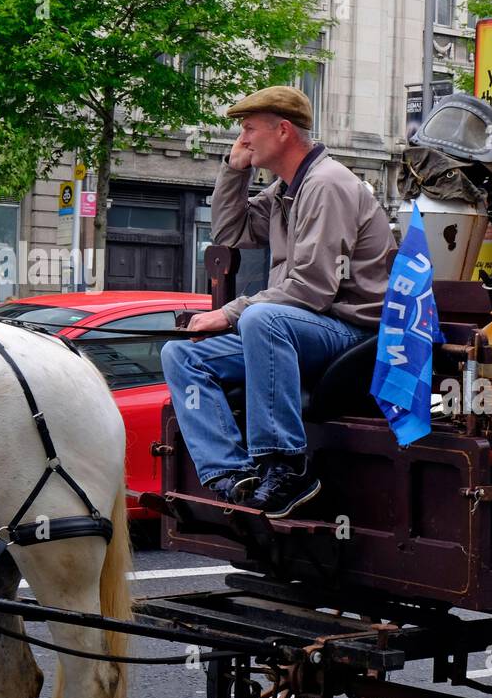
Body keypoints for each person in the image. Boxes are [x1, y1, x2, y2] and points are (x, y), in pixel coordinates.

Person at [162, 87, 395, 518]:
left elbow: (312, 289)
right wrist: (234, 172)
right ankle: (231, 474)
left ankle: (285, 466)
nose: (243, 139)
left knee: (262, 319)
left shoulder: (327, 185)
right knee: (180, 355)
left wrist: (229, 312)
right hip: (302, 328)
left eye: (249, 129)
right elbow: (231, 233)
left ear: (283, 130)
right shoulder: (287, 190)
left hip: (352, 334)